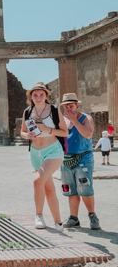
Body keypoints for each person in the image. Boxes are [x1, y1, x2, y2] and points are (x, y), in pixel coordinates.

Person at [20, 82, 67, 231]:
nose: (38, 97)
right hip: (35, 153)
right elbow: (22, 131)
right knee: (48, 188)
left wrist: (48, 129)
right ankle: (58, 223)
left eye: (41, 94)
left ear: (46, 96)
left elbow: (65, 132)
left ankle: (38, 215)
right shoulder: (27, 112)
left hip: (53, 150)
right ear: (31, 97)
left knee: (37, 181)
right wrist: (27, 135)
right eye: (35, 95)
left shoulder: (53, 110)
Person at [60, 93, 100, 230]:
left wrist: (74, 121)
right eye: (66, 106)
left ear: (77, 105)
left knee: (85, 189)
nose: (69, 108)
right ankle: (73, 218)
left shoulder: (85, 118)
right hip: (66, 160)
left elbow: (88, 134)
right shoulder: (62, 120)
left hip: (83, 160)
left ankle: (92, 215)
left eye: (71, 105)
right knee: (70, 190)